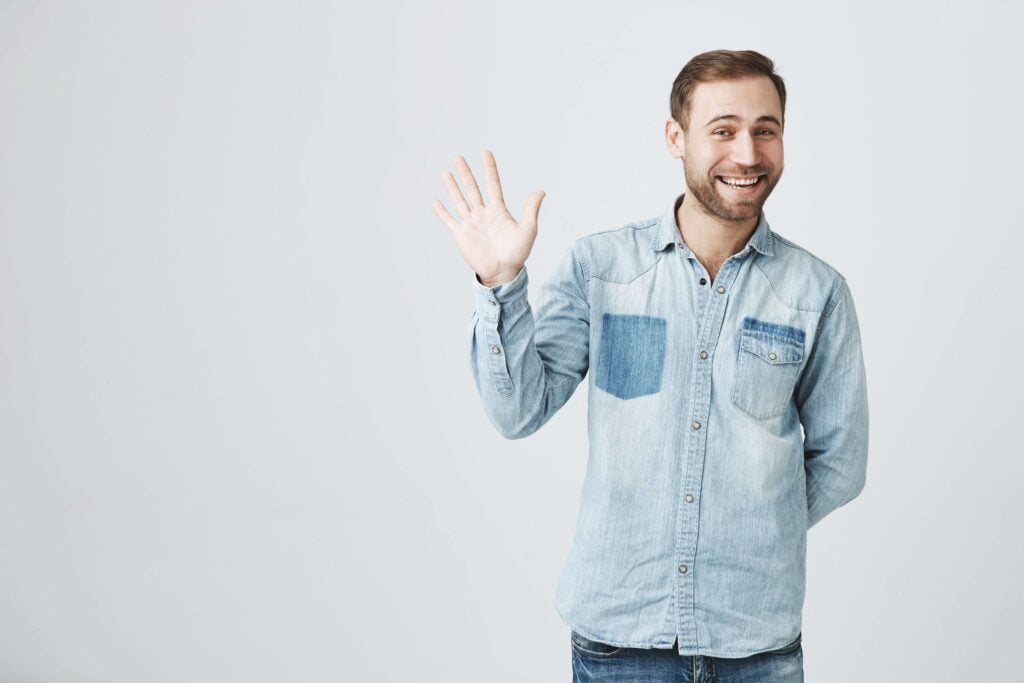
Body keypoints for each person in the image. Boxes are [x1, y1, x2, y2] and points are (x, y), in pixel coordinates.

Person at [431, 49, 868, 682]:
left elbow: (842, 462)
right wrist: (500, 283)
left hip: (757, 651)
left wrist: (750, 522)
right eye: (723, 130)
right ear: (676, 137)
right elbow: (517, 412)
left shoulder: (817, 292)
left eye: (765, 130)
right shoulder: (600, 269)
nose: (747, 154)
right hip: (618, 644)